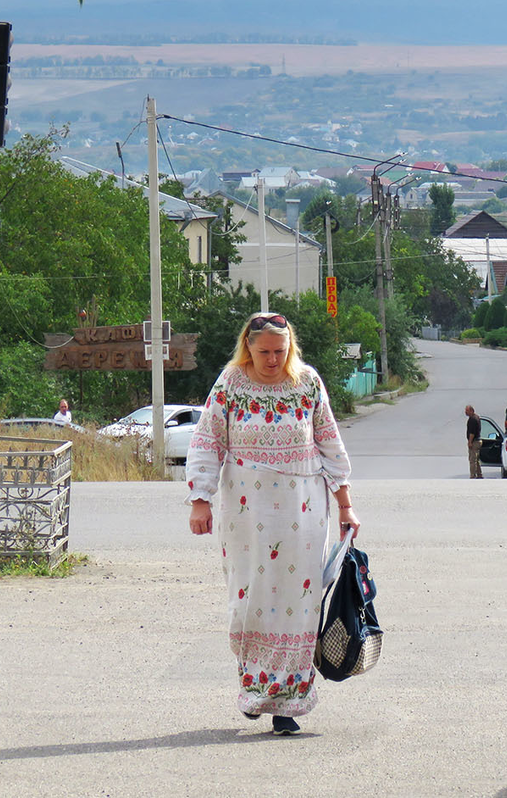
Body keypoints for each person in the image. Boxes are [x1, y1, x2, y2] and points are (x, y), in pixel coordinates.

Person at [185, 312, 358, 737]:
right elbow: (207, 442)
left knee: (300, 605)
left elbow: (329, 441)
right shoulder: (230, 384)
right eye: (264, 351)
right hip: (247, 509)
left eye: (280, 351)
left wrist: (346, 506)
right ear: (248, 347)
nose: (272, 360)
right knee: (251, 599)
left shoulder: (307, 383)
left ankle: (287, 706)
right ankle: (254, 686)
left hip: (303, 510)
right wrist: (199, 502)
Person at [465, 405, 483, 479]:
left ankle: (473, 475)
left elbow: (472, 433)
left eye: (467, 411)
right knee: (477, 459)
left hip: (474, 441)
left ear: (472, 411)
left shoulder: (472, 419)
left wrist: (470, 442)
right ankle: (479, 474)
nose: (465, 412)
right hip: (478, 440)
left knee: (472, 460)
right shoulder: (477, 417)